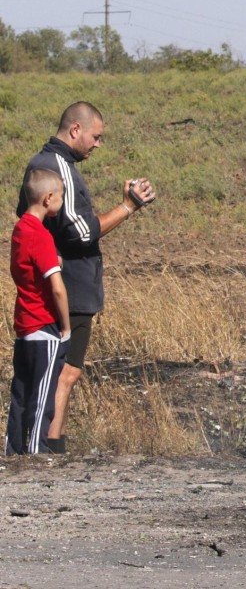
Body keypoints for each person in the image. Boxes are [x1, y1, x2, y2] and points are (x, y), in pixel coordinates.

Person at [16, 102, 156, 454]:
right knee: (64, 371)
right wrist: (129, 206)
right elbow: (82, 233)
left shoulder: (42, 164)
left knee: (56, 372)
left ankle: (38, 448)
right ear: (75, 130)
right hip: (69, 287)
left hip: (56, 285)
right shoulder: (57, 167)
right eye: (96, 136)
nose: (97, 144)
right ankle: (48, 449)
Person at [6, 169, 71, 455]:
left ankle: (13, 450)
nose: (61, 202)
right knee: (42, 396)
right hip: (43, 327)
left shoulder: (20, 230)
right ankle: (37, 452)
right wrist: (65, 327)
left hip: (23, 327)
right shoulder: (41, 236)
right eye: (60, 197)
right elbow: (57, 288)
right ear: (48, 199)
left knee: (19, 394)